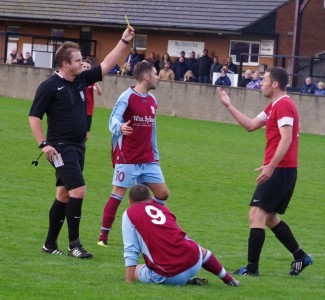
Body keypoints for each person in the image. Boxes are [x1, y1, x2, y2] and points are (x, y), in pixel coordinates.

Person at [28, 26, 135, 259]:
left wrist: (123, 41)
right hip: (59, 148)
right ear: (65, 63)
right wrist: (43, 144)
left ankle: (49, 244)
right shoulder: (48, 86)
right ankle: (74, 244)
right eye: (77, 60)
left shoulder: (81, 79)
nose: (82, 63)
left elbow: (107, 64)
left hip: (78, 147)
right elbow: (34, 117)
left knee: (64, 195)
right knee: (78, 190)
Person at [216, 67, 313, 276]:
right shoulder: (274, 106)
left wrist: (270, 166)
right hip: (282, 169)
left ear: (275, 84)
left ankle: (252, 270)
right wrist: (229, 106)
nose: (261, 83)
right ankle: (300, 257)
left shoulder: (284, 105)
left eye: (264, 80)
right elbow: (250, 125)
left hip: (279, 169)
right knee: (269, 218)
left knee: (256, 215)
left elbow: (287, 138)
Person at [97, 61, 169, 247]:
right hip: (128, 157)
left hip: (148, 159)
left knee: (162, 193)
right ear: (146, 77)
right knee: (118, 195)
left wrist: (155, 153)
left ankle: (147, 225)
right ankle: (103, 238)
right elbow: (113, 119)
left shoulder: (153, 101)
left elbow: (152, 131)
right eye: (155, 74)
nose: (157, 77)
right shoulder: (126, 97)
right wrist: (120, 127)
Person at [122, 184, 240, 286]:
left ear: (130, 202)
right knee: (196, 248)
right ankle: (229, 279)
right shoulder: (164, 208)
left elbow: (131, 249)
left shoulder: (129, 213)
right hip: (194, 262)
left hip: (168, 274)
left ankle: (179, 281)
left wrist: (128, 281)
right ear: (150, 198)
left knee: (137, 269)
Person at [81, 59, 103, 140]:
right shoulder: (75, 79)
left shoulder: (91, 82)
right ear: (80, 67)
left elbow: (99, 93)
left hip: (88, 111)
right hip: (78, 110)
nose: (86, 68)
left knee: (86, 135)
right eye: (84, 66)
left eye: (88, 67)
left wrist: (95, 81)